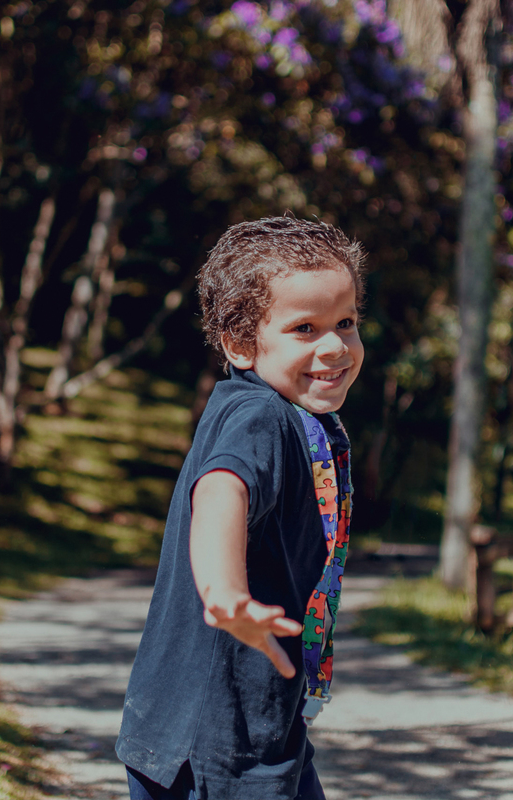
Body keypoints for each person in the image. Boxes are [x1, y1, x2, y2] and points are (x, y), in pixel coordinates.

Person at [116, 216, 365, 800]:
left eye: (346, 322)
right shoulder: (262, 416)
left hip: (250, 728)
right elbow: (222, 488)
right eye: (305, 328)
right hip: (217, 744)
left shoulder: (269, 409)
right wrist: (225, 591)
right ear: (240, 344)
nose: (335, 345)